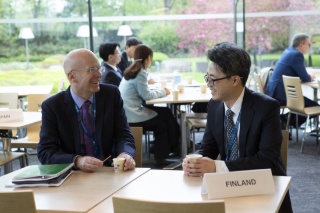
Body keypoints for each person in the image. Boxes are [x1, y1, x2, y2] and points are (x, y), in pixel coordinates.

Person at [182, 42, 292, 212]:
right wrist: (195, 160)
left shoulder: (267, 107)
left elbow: (266, 160)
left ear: (235, 80)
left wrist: (217, 167)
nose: (209, 84)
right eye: (207, 77)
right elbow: (208, 147)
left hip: (262, 187)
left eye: (213, 79)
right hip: (225, 187)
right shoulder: (215, 105)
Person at [37, 48, 136, 172]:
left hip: (110, 170)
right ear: (72, 76)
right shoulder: (53, 106)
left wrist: (126, 153)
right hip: (74, 175)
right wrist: (77, 161)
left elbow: (124, 135)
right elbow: (46, 152)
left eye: (99, 69)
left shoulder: (111, 95)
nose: (99, 75)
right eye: (92, 70)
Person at [119, 44, 180, 166]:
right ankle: (171, 150)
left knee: (166, 113)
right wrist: (164, 91)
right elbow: (146, 96)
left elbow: (143, 93)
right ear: (148, 58)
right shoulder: (140, 73)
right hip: (133, 115)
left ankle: (171, 148)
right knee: (164, 121)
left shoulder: (131, 70)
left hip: (127, 113)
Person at [265, 33, 318, 126]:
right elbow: (305, 78)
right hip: (281, 95)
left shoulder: (288, 51)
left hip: (273, 92)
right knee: (316, 107)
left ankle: (284, 121)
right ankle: (283, 120)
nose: (309, 47)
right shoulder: (297, 55)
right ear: (301, 45)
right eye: (308, 44)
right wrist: (311, 77)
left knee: (308, 104)